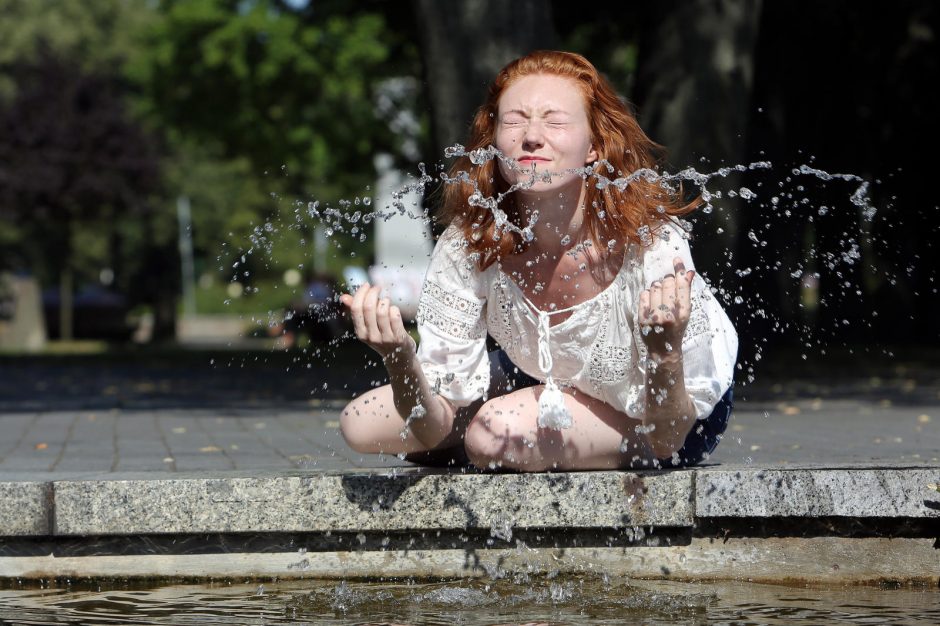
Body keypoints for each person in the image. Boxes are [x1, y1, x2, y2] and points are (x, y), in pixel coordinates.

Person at [339, 51, 737, 471]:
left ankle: (512, 445)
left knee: (493, 435)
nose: (531, 136)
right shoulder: (472, 240)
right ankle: (517, 441)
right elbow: (430, 429)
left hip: (669, 414)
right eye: (513, 121)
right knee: (361, 424)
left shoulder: (647, 244)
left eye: (555, 121)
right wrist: (401, 356)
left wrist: (665, 353)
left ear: (595, 147)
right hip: (540, 375)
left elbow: (668, 433)